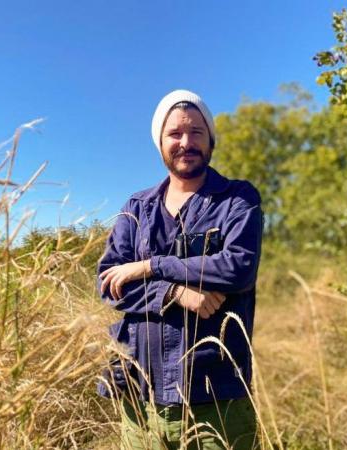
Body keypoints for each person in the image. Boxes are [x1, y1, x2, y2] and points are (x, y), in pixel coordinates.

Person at [97, 89, 263, 449]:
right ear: (160, 143)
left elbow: (238, 267)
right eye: (175, 134)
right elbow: (110, 282)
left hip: (216, 396)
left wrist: (148, 266)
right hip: (140, 393)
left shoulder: (237, 200)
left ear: (210, 140)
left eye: (196, 133)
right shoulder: (136, 208)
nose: (185, 142)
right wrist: (173, 292)